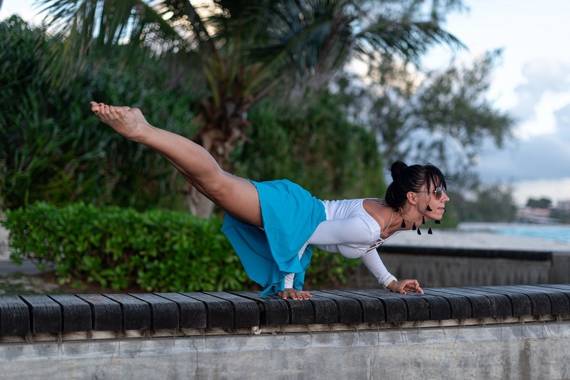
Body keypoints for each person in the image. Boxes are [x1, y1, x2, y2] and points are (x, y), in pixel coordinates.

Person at [90, 102, 450, 300]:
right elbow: (306, 234)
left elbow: (366, 244)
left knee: (208, 184)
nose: (444, 197)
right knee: (213, 180)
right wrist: (289, 287)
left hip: (296, 207)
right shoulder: (370, 222)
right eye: (437, 191)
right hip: (294, 212)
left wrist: (390, 282)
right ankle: (142, 128)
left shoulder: (386, 221)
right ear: (412, 197)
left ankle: (146, 134)